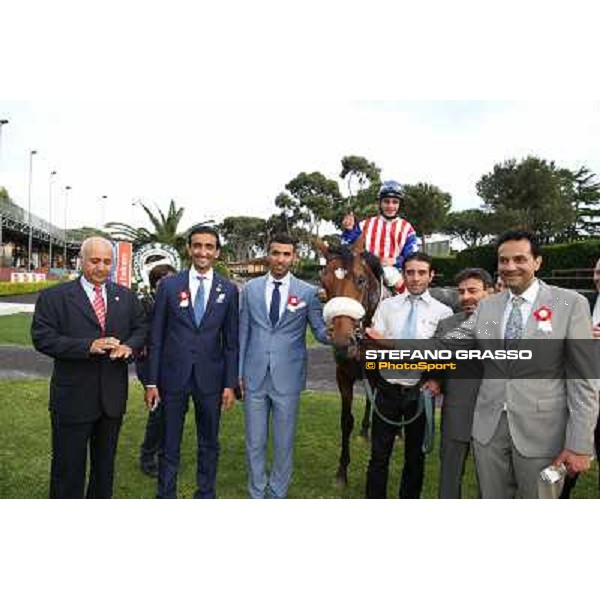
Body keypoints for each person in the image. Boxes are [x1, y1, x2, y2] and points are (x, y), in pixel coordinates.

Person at [369, 231, 599, 498]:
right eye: (504, 260)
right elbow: (443, 346)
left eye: (520, 259)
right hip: (488, 433)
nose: (510, 267)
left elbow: (584, 379)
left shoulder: (569, 304)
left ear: (537, 262)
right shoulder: (488, 308)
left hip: (542, 434)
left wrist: (581, 444)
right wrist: (389, 344)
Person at [31, 237, 147, 498]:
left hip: (112, 399)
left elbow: (141, 329)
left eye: (107, 262)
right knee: (67, 470)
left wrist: (129, 347)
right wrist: (87, 346)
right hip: (72, 399)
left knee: (104, 469)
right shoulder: (55, 297)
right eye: (95, 261)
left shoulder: (126, 297)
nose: (101, 267)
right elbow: (42, 337)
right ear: (80, 260)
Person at [145, 225, 239, 499]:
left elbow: (232, 342)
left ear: (217, 252)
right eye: (197, 245)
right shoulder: (169, 286)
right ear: (189, 248)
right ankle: (165, 494)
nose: (202, 252)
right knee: (169, 441)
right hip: (172, 377)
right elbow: (157, 337)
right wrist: (151, 381)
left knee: (209, 442)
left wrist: (230, 384)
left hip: (211, 379)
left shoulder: (228, 290)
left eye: (209, 247)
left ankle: (206, 493)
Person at [239, 233, 330, 498]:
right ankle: (257, 492)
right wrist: (238, 374)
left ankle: (277, 492)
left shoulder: (308, 292)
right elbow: (242, 333)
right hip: (254, 376)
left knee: (283, 442)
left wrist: (338, 330)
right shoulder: (250, 289)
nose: (280, 259)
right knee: (255, 442)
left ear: (294, 257)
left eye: (286, 254)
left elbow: (320, 332)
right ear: (268, 254)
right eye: (276, 253)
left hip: (287, 378)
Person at [365, 252, 453, 499]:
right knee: (378, 456)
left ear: (431, 275)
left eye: (421, 273)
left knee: (415, 459)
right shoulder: (387, 306)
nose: (415, 278)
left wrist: (436, 379)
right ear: (403, 274)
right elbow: (374, 343)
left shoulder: (443, 313)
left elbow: (443, 354)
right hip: (387, 390)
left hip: (420, 393)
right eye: (410, 272)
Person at [434, 268, 493, 498]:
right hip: (457, 412)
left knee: (491, 481)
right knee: (449, 476)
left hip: (496, 418)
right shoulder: (447, 325)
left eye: (473, 290)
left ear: (489, 292)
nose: (466, 296)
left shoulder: (509, 322)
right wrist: (433, 378)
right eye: (461, 291)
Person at [560, 257, 600, 497]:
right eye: (596, 273)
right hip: (580, 396)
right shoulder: (583, 302)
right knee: (570, 460)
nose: (598, 278)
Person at [135, 263, 177, 477]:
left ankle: (164, 452)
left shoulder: (177, 303)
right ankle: (147, 455)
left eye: (172, 280)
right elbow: (138, 331)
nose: (168, 284)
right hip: (149, 365)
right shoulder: (146, 304)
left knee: (171, 411)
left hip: (172, 365)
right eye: (163, 281)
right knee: (158, 410)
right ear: (155, 284)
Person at [341, 180, 418, 293]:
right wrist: (348, 230)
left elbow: (412, 257)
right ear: (380, 203)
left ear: (399, 204)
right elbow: (347, 245)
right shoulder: (364, 225)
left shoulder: (407, 228)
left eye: (394, 202)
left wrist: (395, 261)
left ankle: (410, 305)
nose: (390, 206)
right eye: (386, 201)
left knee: (391, 275)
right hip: (365, 269)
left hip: (393, 271)